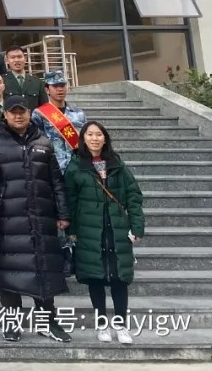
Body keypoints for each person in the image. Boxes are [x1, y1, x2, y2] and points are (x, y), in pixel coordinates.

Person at [0, 94, 71, 343]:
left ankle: (48, 323)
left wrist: (63, 213)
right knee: (9, 274)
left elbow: (56, 181)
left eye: (22, 111)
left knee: (44, 271)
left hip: (41, 217)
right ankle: (12, 324)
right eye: (13, 112)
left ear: (30, 114)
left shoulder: (43, 142)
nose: (18, 116)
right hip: (6, 219)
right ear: (5, 115)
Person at [64, 121, 145, 345]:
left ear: (105, 138)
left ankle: (121, 325)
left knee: (120, 278)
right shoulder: (75, 166)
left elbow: (133, 196)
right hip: (89, 231)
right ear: (83, 138)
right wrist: (71, 230)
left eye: (98, 134)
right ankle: (102, 325)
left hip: (116, 229)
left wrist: (137, 226)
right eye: (90, 134)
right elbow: (70, 201)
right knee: (96, 278)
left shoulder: (116, 163)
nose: (94, 138)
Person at [33, 71, 87, 175]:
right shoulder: (39, 114)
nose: (60, 89)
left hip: (78, 167)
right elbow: (37, 142)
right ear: (47, 90)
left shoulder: (79, 113)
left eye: (62, 85)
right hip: (54, 168)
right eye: (55, 86)